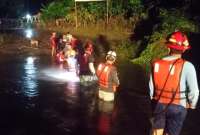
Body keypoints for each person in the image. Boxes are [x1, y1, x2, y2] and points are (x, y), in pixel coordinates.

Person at [149, 31, 199, 135]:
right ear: (184, 49)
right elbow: (194, 91)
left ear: (168, 47)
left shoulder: (156, 64)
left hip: (159, 104)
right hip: (179, 106)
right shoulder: (188, 66)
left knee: (156, 132)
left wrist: (155, 100)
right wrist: (192, 104)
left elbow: (151, 88)